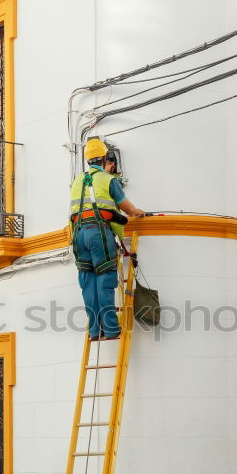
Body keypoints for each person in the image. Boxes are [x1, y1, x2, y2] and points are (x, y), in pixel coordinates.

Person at [69, 138, 144, 341]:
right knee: (105, 280)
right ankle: (111, 329)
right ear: (104, 159)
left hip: (78, 235)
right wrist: (137, 212)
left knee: (87, 283)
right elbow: (127, 208)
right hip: (98, 234)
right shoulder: (108, 180)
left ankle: (94, 331)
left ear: (87, 161)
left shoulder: (77, 181)